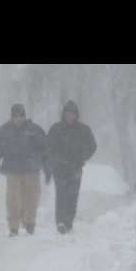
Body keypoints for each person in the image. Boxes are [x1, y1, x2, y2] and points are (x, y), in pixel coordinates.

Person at [0, 104, 50, 238]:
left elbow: (45, 149)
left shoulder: (35, 130)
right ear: (12, 117)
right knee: (12, 200)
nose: (19, 119)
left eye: (21, 116)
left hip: (32, 170)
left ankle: (29, 223)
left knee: (32, 198)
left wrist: (46, 166)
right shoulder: (4, 131)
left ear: (25, 116)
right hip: (13, 171)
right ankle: (13, 227)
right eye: (16, 116)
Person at [47, 100, 97, 234]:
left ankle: (69, 221)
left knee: (72, 197)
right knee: (61, 196)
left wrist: (82, 156)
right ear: (63, 115)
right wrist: (54, 161)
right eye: (67, 114)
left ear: (76, 115)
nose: (69, 117)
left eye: (72, 114)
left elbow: (92, 146)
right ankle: (61, 222)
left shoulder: (84, 130)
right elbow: (48, 147)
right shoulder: (55, 129)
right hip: (59, 169)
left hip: (75, 169)